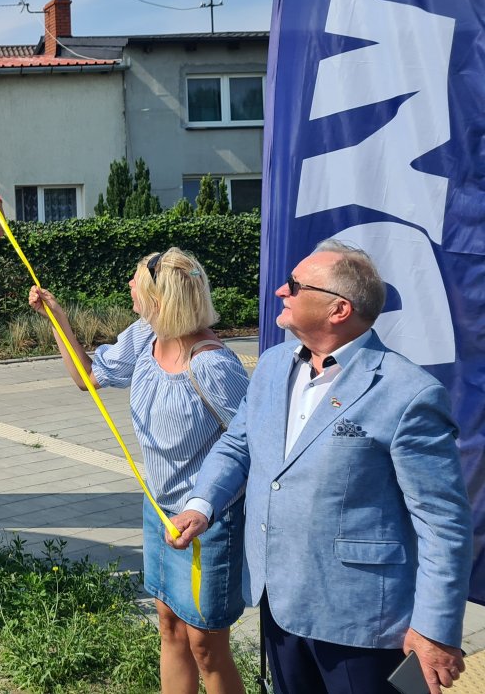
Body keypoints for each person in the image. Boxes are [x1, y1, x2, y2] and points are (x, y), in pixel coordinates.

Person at [168, 241, 473, 694]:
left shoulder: (409, 393)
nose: (279, 291)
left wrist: (434, 629)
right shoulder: (272, 366)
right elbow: (238, 444)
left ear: (338, 310)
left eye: (294, 285)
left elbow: (443, 523)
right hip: (280, 600)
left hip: (362, 620)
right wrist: (201, 504)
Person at [28, 247, 248, 694]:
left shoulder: (212, 364)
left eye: (136, 281)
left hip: (206, 523)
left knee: (206, 645)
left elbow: (253, 443)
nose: (129, 286)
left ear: (161, 298)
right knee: (168, 625)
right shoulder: (145, 338)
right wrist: (58, 319)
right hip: (157, 510)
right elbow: (87, 375)